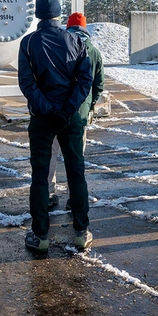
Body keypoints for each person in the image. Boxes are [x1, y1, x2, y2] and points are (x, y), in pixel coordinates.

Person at [18, 0, 93, 252]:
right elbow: (86, 80)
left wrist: (48, 110)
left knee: (40, 175)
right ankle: (81, 232)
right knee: (76, 172)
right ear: (59, 14)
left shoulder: (28, 43)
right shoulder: (75, 40)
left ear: (37, 15)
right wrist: (67, 109)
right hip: (70, 117)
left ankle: (40, 236)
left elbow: (27, 83)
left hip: (42, 117)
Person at [47, 12, 104, 210]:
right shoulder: (94, 51)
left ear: (67, 27)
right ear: (85, 28)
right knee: (76, 157)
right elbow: (98, 84)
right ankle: (74, 197)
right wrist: (90, 104)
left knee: (51, 154)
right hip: (79, 112)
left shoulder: (58, 45)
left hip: (55, 110)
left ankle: (48, 194)